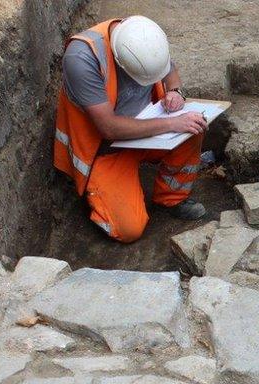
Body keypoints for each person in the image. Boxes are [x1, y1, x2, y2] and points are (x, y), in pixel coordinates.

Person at [53, 15, 209, 243]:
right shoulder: (81, 59)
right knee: (129, 230)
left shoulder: (144, 36)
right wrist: (172, 123)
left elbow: (169, 71)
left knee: (194, 128)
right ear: (120, 60)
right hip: (106, 150)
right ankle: (100, 198)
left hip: (146, 133)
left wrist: (175, 91)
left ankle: (171, 197)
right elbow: (109, 128)